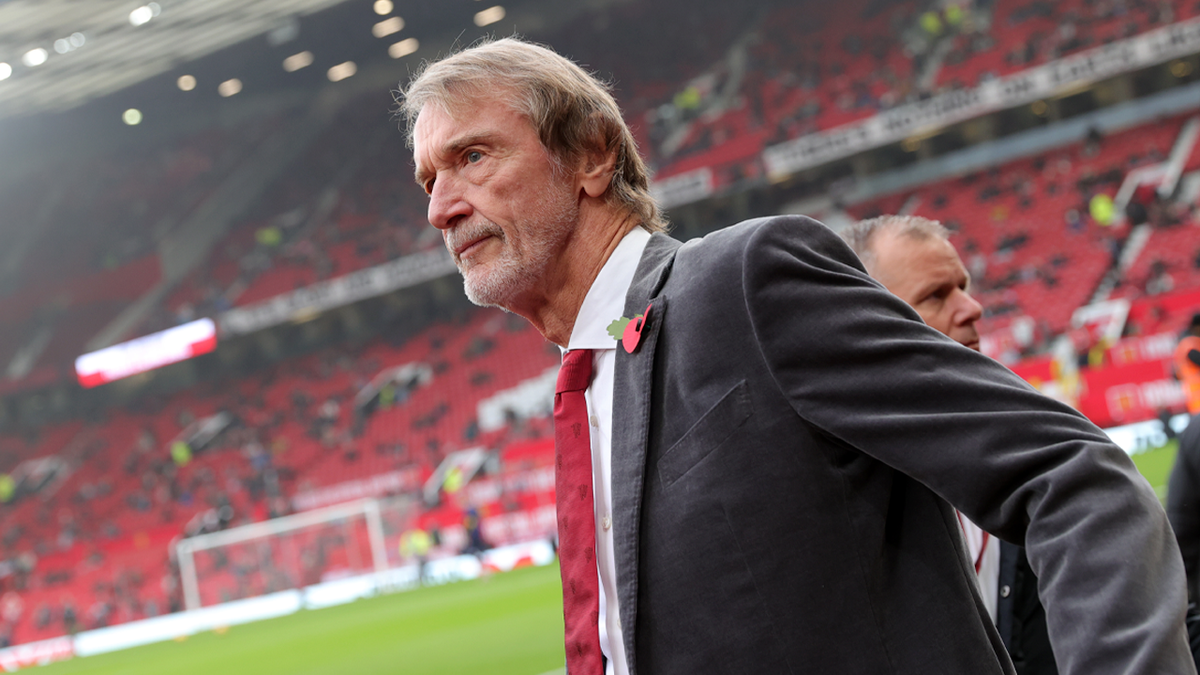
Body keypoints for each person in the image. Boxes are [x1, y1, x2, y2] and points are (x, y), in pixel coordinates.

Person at [398, 37, 1193, 674]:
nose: (440, 207)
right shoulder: (594, 382)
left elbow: (1069, 473)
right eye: (427, 179)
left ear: (593, 157)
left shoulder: (742, 281)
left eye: (472, 157)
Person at [841, 215, 1056, 675]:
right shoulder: (835, 499)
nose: (973, 307)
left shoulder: (1020, 452)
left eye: (964, 286)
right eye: (936, 296)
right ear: (864, 322)